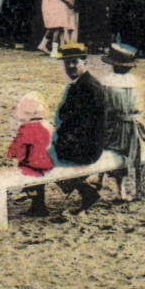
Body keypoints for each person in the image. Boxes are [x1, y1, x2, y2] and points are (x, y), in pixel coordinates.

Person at [50, 42, 108, 209]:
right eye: (67, 63)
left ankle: (38, 204)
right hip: (87, 143)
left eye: (75, 62)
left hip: (86, 148)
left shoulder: (87, 88)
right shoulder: (84, 83)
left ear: (85, 62)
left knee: (38, 155)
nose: (70, 66)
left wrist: (59, 140)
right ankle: (84, 190)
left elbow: (82, 125)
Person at [100, 43, 145, 202]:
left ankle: (112, 185)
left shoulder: (107, 82)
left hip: (115, 127)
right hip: (135, 127)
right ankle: (137, 189)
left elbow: (104, 107)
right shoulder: (138, 82)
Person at [6, 91, 54, 215]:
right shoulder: (47, 125)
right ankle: (38, 203)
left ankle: (30, 196)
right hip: (48, 163)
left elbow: (15, 150)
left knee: (28, 169)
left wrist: (13, 156)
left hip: (34, 165)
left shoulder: (26, 128)